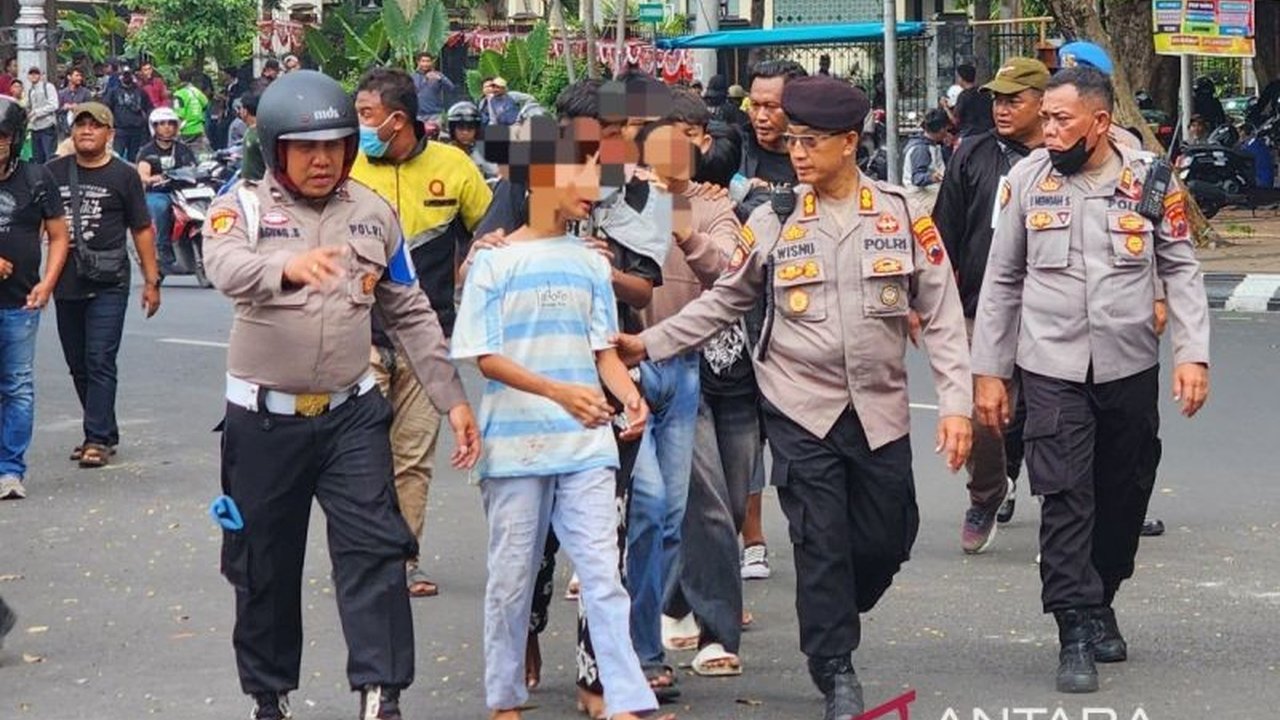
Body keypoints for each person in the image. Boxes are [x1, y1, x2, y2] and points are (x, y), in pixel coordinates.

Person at [614, 75, 974, 720]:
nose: (796, 151)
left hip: (881, 410)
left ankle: (836, 606)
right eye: (794, 140)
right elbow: (726, 298)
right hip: (800, 406)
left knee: (888, 537)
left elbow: (942, 313)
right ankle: (835, 668)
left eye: (811, 141)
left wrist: (956, 405)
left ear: (847, 143)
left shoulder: (902, 213)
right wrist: (652, 344)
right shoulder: (773, 217)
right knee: (820, 541)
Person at [201, 69, 480, 720]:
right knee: (263, 564)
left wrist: (453, 399)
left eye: (336, 145)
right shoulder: (239, 205)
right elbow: (225, 267)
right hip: (263, 422)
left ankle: (381, 695)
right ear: (276, 149)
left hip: (353, 415)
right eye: (306, 147)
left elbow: (411, 311)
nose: (323, 159)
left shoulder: (373, 214)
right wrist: (285, 268)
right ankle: (268, 696)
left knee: (377, 553)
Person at [972, 65, 1211, 694]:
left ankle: (1102, 594)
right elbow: (1001, 280)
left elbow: (1181, 268)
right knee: (1066, 493)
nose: (1047, 131)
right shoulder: (1024, 181)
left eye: (1060, 119)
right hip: (1050, 367)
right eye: (1044, 118)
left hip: (1128, 365)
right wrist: (989, 373)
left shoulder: (1150, 181)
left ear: (1099, 122)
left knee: (1124, 492)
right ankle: (1073, 627)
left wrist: (1193, 353)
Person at [454, 112, 669, 720]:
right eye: (579, 168)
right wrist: (558, 392)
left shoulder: (591, 262)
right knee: (511, 580)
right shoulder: (493, 263)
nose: (592, 180)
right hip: (516, 449)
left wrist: (630, 397)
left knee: (603, 574)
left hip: (585, 444)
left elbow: (603, 351)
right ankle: (504, 699)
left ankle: (625, 699)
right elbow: (487, 358)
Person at [349, 67, 492, 598]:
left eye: (366, 116)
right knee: (362, 454)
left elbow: (493, 232)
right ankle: (365, 553)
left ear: (397, 119)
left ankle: (403, 559)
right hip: (356, 336)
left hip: (427, 339)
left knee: (412, 459)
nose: (358, 126)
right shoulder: (346, 167)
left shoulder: (454, 169)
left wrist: (474, 269)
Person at [634, 89, 746, 678]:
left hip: (685, 370)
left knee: (701, 507)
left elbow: (728, 274)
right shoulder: (613, 192)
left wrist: (682, 228)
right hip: (617, 370)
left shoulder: (712, 207)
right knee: (640, 509)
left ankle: (717, 631)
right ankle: (639, 634)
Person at [931, 57, 1049, 551]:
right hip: (984, 309)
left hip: (1052, 312)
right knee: (985, 417)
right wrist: (930, 300)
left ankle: (1068, 508)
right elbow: (942, 235)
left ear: (1043, 105)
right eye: (997, 99)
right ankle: (985, 494)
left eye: (1013, 100)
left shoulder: (1064, 159)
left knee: (1056, 416)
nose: (1001, 109)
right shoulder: (972, 154)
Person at [46, 102, 162, 469]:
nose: (86, 131)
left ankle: (96, 438)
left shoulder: (124, 176)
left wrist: (151, 280)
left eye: (95, 126)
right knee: (77, 364)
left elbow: (142, 228)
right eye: (80, 125)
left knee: (99, 358)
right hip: (66, 280)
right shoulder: (52, 172)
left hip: (109, 280)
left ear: (109, 134)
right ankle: (104, 430)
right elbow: (37, 224)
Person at [734, 58, 808, 582]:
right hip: (739, 318)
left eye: (772, 106)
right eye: (754, 105)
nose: (761, 116)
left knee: (800, 438)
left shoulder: (816, 156)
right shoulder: (729, 147)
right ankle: (751, 538)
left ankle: (813, 536)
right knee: (744, 435)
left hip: (802, 322)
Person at [0, 97, 71, 501]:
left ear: (16, 139)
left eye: (3, 137)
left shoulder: (36, 178)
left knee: (17, 385)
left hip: (20, 302)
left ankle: (10, 470)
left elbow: (59, 235)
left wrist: (47, 283)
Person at [136, 107, 197, 274]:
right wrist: (151, 179)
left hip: (182, 193)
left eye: (171, 123)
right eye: (162, 124)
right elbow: (142, 173)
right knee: (161, 207)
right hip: (158, 193)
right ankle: (163, 248)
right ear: (154, 127)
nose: (167, 127)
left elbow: (194, 168)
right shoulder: (148, 151)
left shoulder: (183, 149)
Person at [102, 66, 154, 162]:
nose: (126, 78)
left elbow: (149, 108)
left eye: (128, 75)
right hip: (120, 130)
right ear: (120, 77)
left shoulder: (141, 92)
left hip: (137, 130)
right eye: (124, 75)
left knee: (134, 158)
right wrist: (108, 126)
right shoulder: (114, 92)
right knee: (116, 157)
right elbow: (106, 108)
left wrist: (146, 121)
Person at [902, 107, 949, 206]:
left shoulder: (931, 144)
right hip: (920, 194)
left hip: (928, 190)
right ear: (941, 130)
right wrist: (932, 177)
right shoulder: (921, 149)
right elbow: (917, 178)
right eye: (946, 129)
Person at [444, 100, 498, 178]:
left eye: (470, 128)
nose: (465, 132)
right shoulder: (445, 153)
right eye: (461, 128)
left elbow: (496, 178)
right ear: (452, 129)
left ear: (477, 130)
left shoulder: (482, 153)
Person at [953, 63, 995, 138]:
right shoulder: (985, 93)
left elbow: (955, 121)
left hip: (970, 135)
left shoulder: (963, 96)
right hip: (988, 134)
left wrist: (945, 107)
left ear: (961, 78)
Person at [25, 68, 59, 164]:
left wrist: (37, 112)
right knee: (37, 159)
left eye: (36, 73)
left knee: (50, 158)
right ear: (28, 76)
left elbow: (54, 105)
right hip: (35, 129)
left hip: (47, 127)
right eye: (31, 74)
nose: (33, 76)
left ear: (40, 75)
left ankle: (50, 178)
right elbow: (27, 107)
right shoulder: (30, 91)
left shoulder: (48, 87)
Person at [412, 52, 453, 127]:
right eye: (423, 61)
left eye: (428, 61)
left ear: (431, 62)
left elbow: (451, 88)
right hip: (418, 116)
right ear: (418, 62)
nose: (425, 64)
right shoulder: (413, 77)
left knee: (435, 138)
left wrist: (440, 79)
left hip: (435, 115)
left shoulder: (438, 75)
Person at [173, 70, 209, 152]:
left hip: (185, 130)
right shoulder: (197, 91)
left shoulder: (179, 94)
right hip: (199, 128)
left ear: (178, 79)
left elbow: (179, 114)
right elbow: (206, 104)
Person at [57, 68, 92, 136]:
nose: (79, 78)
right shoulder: (61, 93)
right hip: (65, 129)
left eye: (80, 76)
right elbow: (56, 110)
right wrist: (65, 107)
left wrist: (79, 107)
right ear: (69, 77)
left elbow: (90, 109)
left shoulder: (85, 93)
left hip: (81, 128)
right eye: (77, 75)